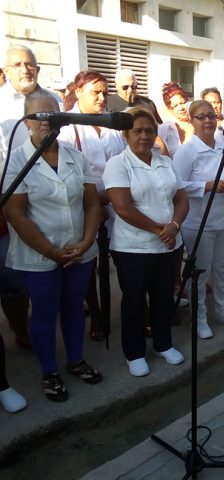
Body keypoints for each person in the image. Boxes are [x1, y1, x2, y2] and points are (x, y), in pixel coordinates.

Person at [4, 91, 103, 401]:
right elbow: (15, 213)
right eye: (39, 116)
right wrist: (49, 251)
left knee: (74, 307)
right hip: (38, 254)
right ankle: (49, 370)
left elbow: (92, 203)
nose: (46, 121)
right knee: (45, 311)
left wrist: (87, 241)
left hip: (79, 250)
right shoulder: (18, 159)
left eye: (52, 114)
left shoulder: (75, 154)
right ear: (28, 121)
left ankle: (75, 359)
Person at [103, 107, 188, 377]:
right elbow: (122, 207)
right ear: (126, 134)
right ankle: (135, 352)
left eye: (149, 131)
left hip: (169, 243)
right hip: (134, 248)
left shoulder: (165, 161)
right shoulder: (118, 163)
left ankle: (163, 344)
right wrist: (158, 229)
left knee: (163, 296)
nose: (144, 136)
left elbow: (182, 198)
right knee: (135, 300)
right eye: (137, 131)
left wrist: (174, 226)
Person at [58, 70, 127, 341]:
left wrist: (112, 196)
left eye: (104, 92)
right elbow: (67, 173)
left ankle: (134, 307)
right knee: (88, 264)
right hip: (85, 205)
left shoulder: (111, 125)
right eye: (94, 92)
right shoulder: (67, 129)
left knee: (123, 256)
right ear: (78, 92)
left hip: (115, 201)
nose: (101, 98)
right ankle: (96, 312)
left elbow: (122, 163)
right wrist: (96, 201)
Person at [173, 100, 224, 338]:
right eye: (200, 117)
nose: (207, 121)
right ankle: (199, 318)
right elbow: (176, 185)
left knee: (223, 270)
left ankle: (223, 311)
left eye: (211, 116)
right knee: (200, 274)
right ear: (191, 121)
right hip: (198, 223)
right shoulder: (187, 151)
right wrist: (208, 186)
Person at [0, 45, 42, 350]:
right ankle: (21, 328)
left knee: (46, 260)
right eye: (17, 64)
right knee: (11, 275)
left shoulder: (49, 100)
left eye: (30, 64)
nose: (25, 69)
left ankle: (41, 315)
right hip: (7, 201)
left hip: (46, 196)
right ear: (6, 71)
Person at [158, 81, 193, 158]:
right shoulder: (165, 129)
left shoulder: (197, 123)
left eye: (182, 103)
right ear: (170, 109)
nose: (181, 108)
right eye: (175, 106)